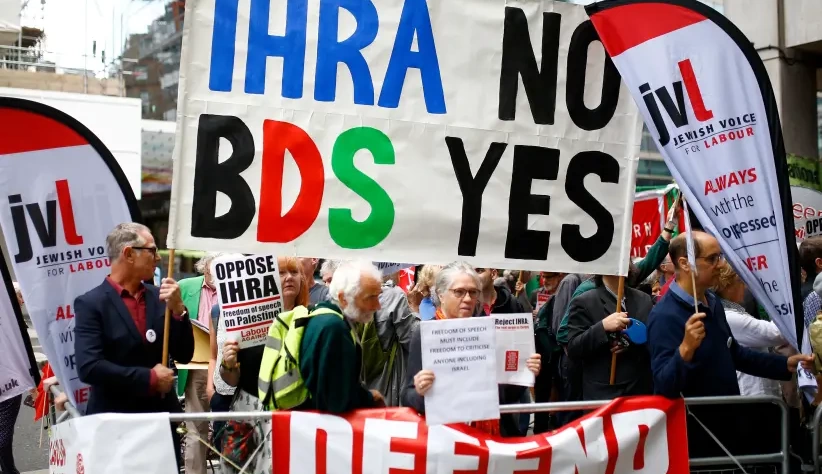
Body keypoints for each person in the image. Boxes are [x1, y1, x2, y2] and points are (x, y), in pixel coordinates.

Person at [648, 231, 811, 458]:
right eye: (712, 258)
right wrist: (685, 350)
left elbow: (733, 353)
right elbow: (664, 385)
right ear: (685, 263)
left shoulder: (712, 302)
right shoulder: (665, 316)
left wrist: (785, 364)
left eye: (720, 256)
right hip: (697, 440)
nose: (720, 264)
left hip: (727, 429)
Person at [74, 223, 194, 467]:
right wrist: (149, 378)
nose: (158, 257)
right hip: (114, 425)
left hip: (159, 423)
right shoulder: (91, 304)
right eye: (152, 250)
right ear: (128, 254)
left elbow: (185, 353)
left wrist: (179, 311)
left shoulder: (161, 297)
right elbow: (89, 367)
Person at [402, 262, 541, 436]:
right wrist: (421, 392)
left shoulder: (488, 331)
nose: (467, 298)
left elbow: (501, 396)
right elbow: (407, 396)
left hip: (489, 438)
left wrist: (523, 374)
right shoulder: (424, 334)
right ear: (441, 295)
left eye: (473, 292)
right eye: (459, 292)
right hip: (446, 438)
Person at [218, 256, 309, 473]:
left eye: (294, 272)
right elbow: (232, 379)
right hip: (246, 412)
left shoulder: (311, 318)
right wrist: (228, 364)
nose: (289, 278)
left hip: (291, 413)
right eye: (281, 272)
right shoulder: (245, 320)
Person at [565, 270, 654, 400]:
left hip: (639, 392)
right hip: (604, 395)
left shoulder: (644, 299)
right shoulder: (584, 301)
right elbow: (573, 348)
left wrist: (630, 344)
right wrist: (603, 327)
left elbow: (655, 342)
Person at [176, 252, 222, 474]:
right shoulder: (185, 286)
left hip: (227, 364)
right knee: (196, 428)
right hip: (195, 365)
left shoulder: (232, 286)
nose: (217, 275)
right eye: (213, 269)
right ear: (204, 267)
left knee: (229, 424)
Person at [711, 261, 785, 397]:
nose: (745, 286)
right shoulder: (730, 317)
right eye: (740, 281)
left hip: (756, 390)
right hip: (752, 392)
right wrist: (785, 304)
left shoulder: (728, 311)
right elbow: (776, 333)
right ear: (727, 285)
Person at [358, 276, 419, 407]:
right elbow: (414, 342)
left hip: (362, 386)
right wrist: (415, 307)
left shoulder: (351, 294)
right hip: (388, 388)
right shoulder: (393, 296)